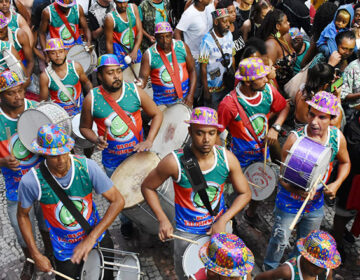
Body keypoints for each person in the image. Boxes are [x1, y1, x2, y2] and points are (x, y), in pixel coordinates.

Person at [141, 106, 252, 280]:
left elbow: (245, 193)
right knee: (189, 275)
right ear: (190, 131)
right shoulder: (173, 162)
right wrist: (162, 219)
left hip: (220, 228)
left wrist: (223, 220)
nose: (206, 139)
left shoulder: (227, 159)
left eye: (212, 133)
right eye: (200, 133)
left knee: (223, 275)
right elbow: (147, 187)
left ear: (217, 133)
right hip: (187, 233)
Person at [17, 123, 124, 279]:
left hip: (97, 238)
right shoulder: (31, 181)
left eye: (64, 152)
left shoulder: (87, 167)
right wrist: (35, 254)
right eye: (54, 156)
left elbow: (118, 201)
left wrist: (92, 238)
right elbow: (22, 216)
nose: (61, 160)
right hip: (65, 251)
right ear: (44, 154)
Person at [263, 91, 351, 270]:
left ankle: (293, 270)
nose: (314, 121)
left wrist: (337, 183)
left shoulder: (336, 138)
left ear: (332, 119)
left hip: (316, 204)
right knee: (280, 239)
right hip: (289, 202)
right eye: (311, 114)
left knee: (306, 242)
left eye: (322, 117)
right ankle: (269, 269)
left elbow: (345, 162)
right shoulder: (295, 139)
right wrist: (297, 191)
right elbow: (282, 177)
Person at [80, 54, 162, 238]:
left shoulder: (135, 91)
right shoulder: (91, 99)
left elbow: (157, 114)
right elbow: (84, 127)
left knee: (147, 191)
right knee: (121, 198)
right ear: (100, 76)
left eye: (118, 71)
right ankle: (127, 223)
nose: (117, 76)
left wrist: (149, 140)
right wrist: (95, 139)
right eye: (110, 73)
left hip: (139, 157)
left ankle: (153, 222)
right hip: (113, 161)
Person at [218, 57, 289, 232]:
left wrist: (276, 128)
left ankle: (251, 214)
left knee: (260, 186)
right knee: (235, 194)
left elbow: (284, 107)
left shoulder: (269, 92)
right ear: (248, 83)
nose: (267, 79)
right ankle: (230, 223)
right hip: (237, 160)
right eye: (262, 77)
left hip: (261, 154)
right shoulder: (228, 105)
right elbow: (217, 133)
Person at [0, 70, 50, 280]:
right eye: (12, 93)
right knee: (21, 231)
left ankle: (51, 255)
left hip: (43, 181)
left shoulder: (37, 110)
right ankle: (30, 260)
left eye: (20, 90)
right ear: (1, 95)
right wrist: (2, 161)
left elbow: (55, 142)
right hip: (16, 187)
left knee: (47, 223)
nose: (19, 96)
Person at [138, 22, 196, 107]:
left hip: (185, 99)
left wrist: (190, 95)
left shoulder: (182, 47)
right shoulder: (149, 55)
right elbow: (143, 79)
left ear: (172, 35)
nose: (165, 41)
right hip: (162, 104)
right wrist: (139, 83)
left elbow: (192, 70)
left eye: (167, 36)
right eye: (161, 37)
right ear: (155, 37)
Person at [39, 38, 92, 117]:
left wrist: (90, 102)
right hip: (60, 116)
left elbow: (86, 83)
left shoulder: (76, 67)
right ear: (48, 55)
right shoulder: (45, 76)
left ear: (65, 52)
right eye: (53, 53)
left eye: (61, 52)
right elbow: (44, 103)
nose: (58, 55)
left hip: (80, 111)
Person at [255, 230, 340, 280]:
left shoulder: (327, 271)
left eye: (322, 266)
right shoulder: (287, 271)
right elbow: (261, 278)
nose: (318, 270)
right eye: (314, 265)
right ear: (304, 256)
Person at [199, 8, 235, 109]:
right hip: (213, 89)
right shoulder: (206, 40)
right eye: (224, 22)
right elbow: (203, 67)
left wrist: (234, 77)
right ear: (216, 22)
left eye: (229, 21)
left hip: (227, 84)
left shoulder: (229, 35)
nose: (228, 24)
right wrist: (206, 91)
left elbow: (232, 56)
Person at [257, 9, 296, 91]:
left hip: (292, 81)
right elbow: (268, 75)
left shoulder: (286, 36)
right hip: (280, 88)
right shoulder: (271, 45)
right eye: (285, 22)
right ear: (278, 26)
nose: (289, 23)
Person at [104, 0, 143, 70]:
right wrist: (113, 63)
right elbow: (109, 43)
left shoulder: (134, 8)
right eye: (119, 2)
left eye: (125, 2)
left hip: (135, 49)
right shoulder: (110, 18)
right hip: (119, 53)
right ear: (115, 1)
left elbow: (139, 31)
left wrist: (135, 50)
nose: (122, 5)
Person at [0, 11, 33, 80]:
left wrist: (26, 79)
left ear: (6, 26)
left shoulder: (19, 35)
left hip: (24, 72)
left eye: (1, 32)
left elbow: (30, 61)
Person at [217, 0, 246, 69]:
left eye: (234, 11)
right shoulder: (222, 34)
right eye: (230, 12)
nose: (234, 14)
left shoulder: (236, 23)